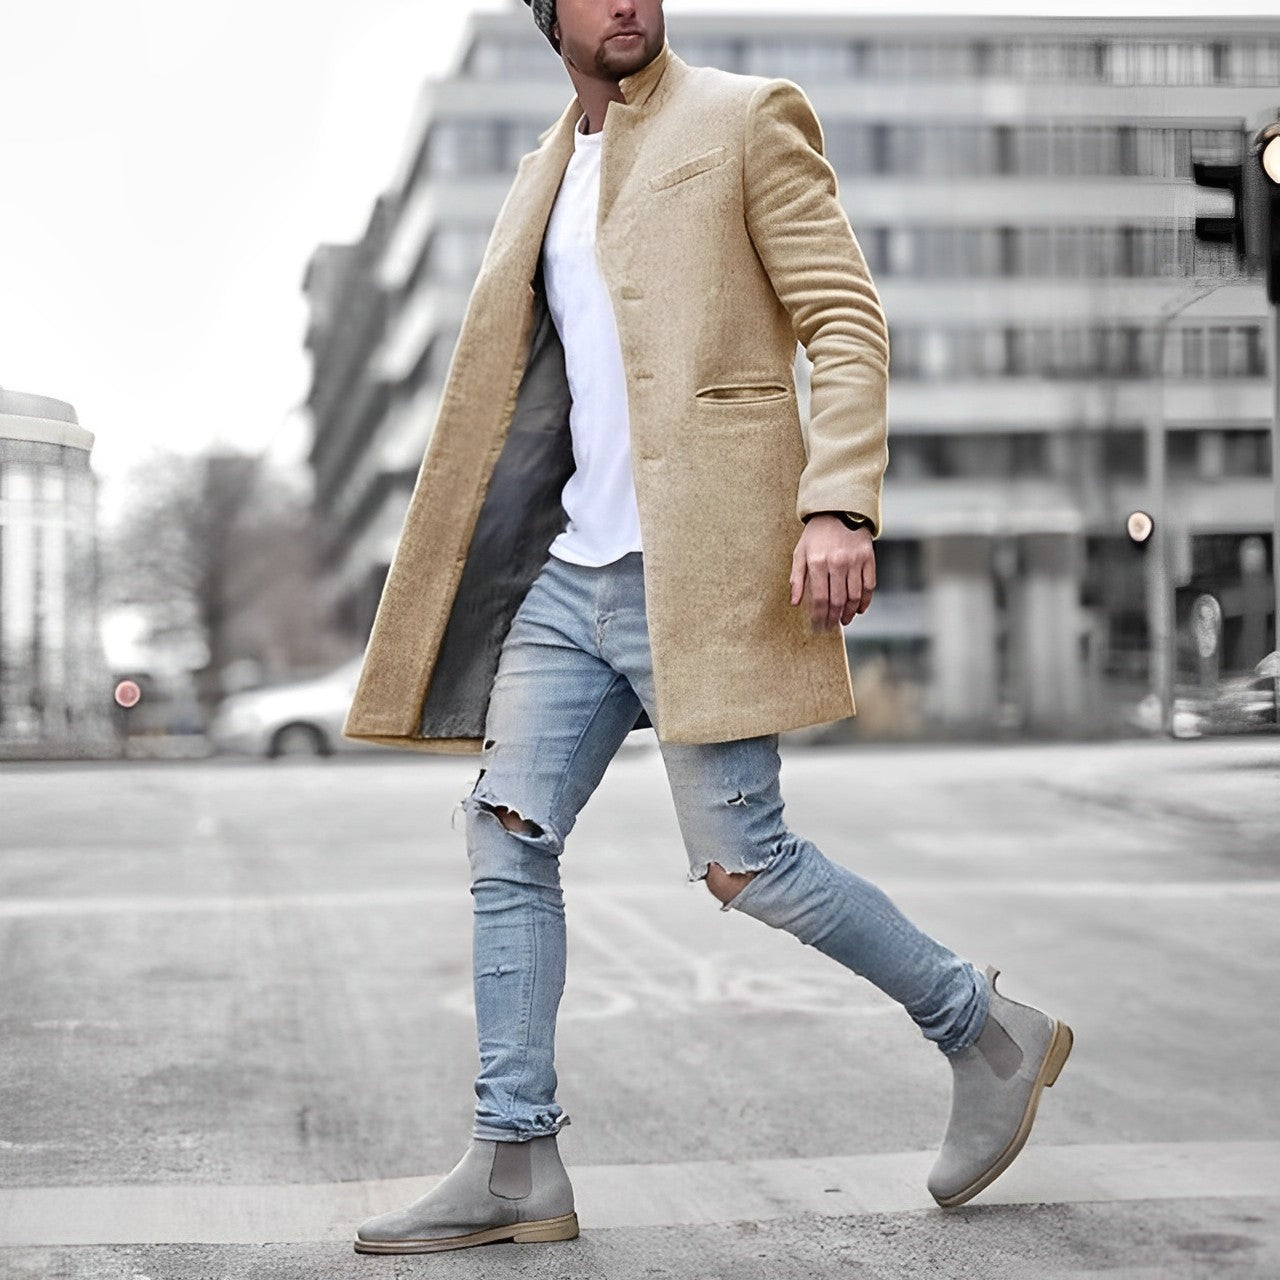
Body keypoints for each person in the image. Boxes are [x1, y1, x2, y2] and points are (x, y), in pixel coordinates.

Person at [348, 0, 1073, 1256]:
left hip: (707, 567)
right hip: (567, 577)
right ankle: (515, 1153)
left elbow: (844, 320)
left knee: (747, 862)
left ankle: (985, 1028)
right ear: (547, 15)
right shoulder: (537, 174)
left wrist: (837, 499)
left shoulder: (745, 117)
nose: (624, 1)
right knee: (505, 833)